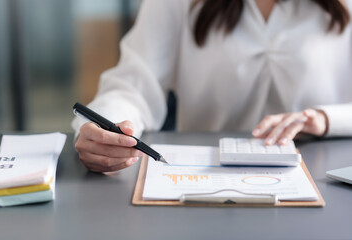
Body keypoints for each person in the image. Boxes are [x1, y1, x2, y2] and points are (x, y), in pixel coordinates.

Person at [72, 0, 352, 172]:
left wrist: (325, 119)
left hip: (325, 177)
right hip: (201, 177)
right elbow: (132, 85)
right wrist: (107, 130)